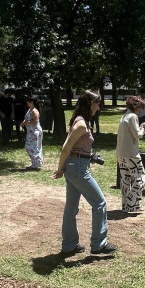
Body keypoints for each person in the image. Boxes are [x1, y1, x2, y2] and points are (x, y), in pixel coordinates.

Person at [53, 90, 117, 256]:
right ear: (89, 104)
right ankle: (98, 244)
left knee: (71, 208)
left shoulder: (81, 121)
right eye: (97, 103)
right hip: (77, 168)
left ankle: (69, 245)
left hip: (76, 166)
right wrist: (59, 169)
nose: (99, 107)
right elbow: (66, 147)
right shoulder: (81, 124)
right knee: (100, 203)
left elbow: (74, 148)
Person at [116, 95, 145, 213]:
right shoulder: (132, 116)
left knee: (126, 180)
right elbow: (137, 134)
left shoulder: (124, 116)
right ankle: (130, 202)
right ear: (136, 106)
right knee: (140, 179)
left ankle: (126, 206)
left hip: (120, 153)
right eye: (140, 107)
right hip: (131, 154)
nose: (141, 110)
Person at [20, 96, 43, 170]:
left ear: (32, 102)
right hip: (30, 131)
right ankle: (35, 163)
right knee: (30, 146)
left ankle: (37, 163)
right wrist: (23, 123)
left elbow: (35, 122)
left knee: (33, 147)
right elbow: (27, 119)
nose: (27, 102)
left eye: (28, 101)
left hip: (35, 131)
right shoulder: (30, 109)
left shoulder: (34, 111)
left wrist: (27, 122)